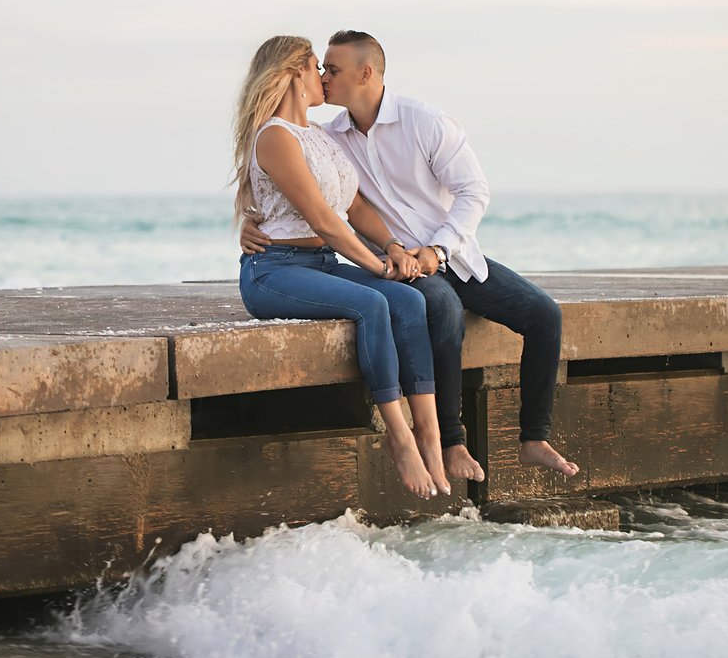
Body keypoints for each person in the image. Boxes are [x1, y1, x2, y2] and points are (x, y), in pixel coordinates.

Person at [242, 30, 579, 480]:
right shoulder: (329, 134)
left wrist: (436, 249)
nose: (323, 76)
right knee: (438, 305)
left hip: (447, 251)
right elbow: (308, 201)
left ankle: (534, 437)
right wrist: (255, 220)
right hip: (396, 264)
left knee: (544, 314)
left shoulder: (424, 122)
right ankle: (450, 442)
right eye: (318, 67)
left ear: (366, 73)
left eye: (333, 69)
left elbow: (473, 191)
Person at [231, 34, 453, 501]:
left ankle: (431, 437)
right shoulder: (274, 136)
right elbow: (323, 220)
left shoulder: (321, 137)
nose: (323, 78)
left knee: (408, 300)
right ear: (294, 72)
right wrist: (376, 265)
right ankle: (400, 438)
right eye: (317, 68)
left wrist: (391, 247)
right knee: (373, 303)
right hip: (273, 271)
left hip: (319, 264)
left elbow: (353, 207)